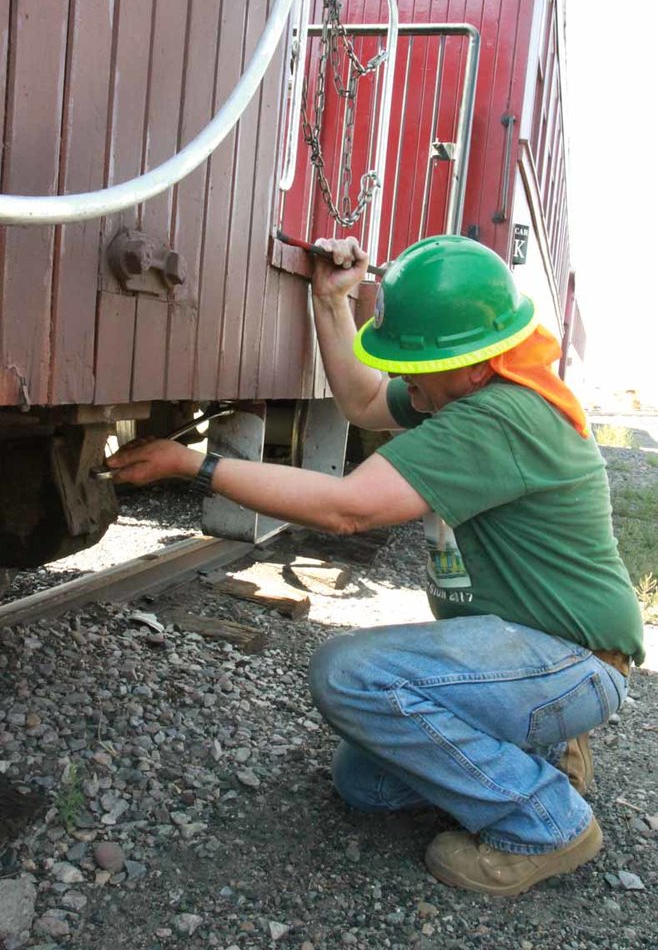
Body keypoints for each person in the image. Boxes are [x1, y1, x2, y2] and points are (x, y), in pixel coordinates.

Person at [107, 234, 644, 897]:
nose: (407, 376)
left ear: (476, 365)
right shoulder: (465, 390)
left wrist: (197, 465)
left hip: (571, 660)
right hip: (525, 656)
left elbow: (348, 510)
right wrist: (331, 303)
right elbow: (363, 402)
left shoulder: (501, 416)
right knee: (364, 783)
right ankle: (539, 748)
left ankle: (547, 822)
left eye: (419, 363)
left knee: (351, 673)